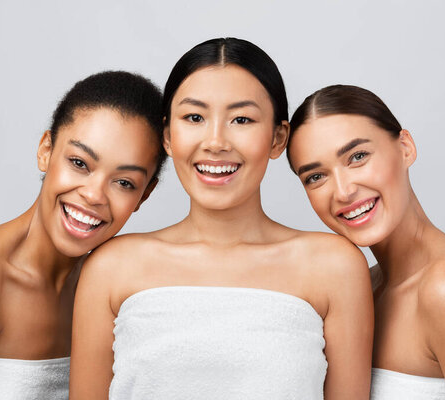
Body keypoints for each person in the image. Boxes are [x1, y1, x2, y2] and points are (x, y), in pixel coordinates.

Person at [70, 38, 373, 400]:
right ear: (167, 136)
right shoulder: (110, 267)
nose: (215, 142)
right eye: (194, 118)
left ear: (278, 137)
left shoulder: (335, 266)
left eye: (241, 119)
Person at [0, 71, 165, 400]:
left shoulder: (107, 287)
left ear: (144, 195)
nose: (94, 195)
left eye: (124, 182)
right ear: (45, 150)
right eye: (80, 163)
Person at [286, 84, 445, 399]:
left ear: (405, 148)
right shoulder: (362, 288)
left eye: (357, 156)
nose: (343, 191)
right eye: (316, 177)